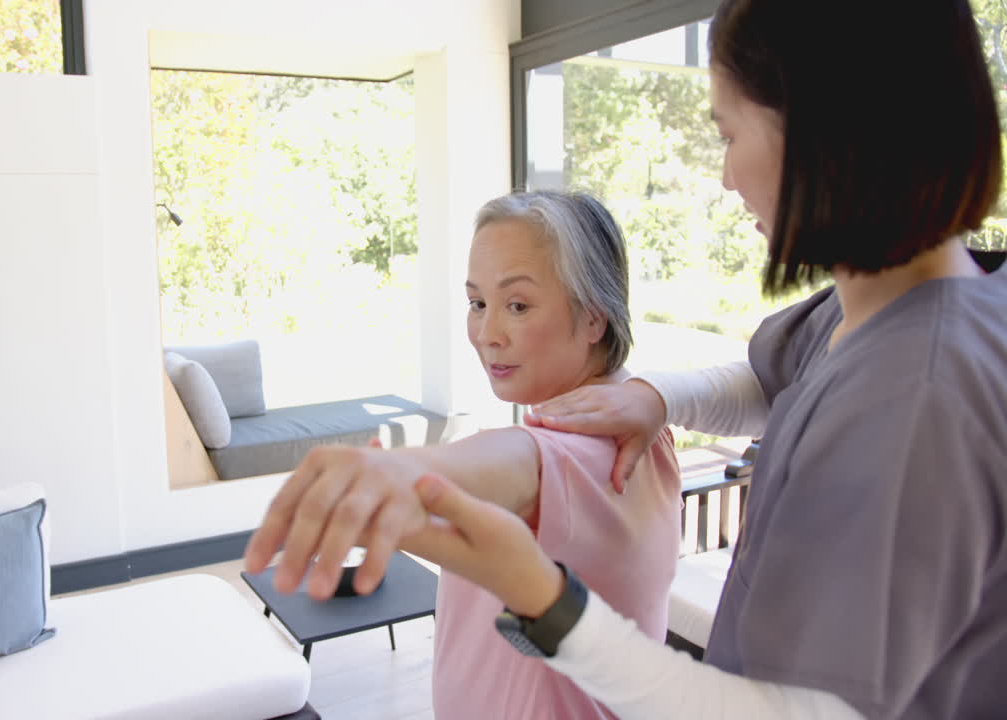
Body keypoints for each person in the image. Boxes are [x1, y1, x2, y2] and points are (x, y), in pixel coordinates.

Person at [406, 0, 1007, 718]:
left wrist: (544, 599)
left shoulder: (916, 402)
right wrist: (659, 397)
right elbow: (770, 378)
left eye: (729, 133)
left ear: (823, 131)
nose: (726, 176)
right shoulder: (875, 315)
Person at [245, 190, 683, 719]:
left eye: (517, 305)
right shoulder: (641, 427)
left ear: (594, 318)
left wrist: (404, 469)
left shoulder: (597, 453)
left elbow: (523, 461)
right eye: (477, 303)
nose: (486, 334)